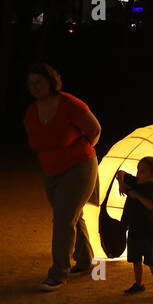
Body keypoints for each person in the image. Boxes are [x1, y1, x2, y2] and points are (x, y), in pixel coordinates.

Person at [23, 62, 101, 291]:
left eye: (38, 82)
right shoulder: (31, 112)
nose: (34, 87)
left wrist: (82, 152)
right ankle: (85, 261)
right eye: (30, 84)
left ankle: (58, 273)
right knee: (72, 216)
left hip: (79, 167)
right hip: (51, 171)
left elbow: (95, 130)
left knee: (63, 219)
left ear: (50, 81)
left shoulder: (69, 104)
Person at [118, 156, 153, 300]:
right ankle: (138, 284)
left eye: (143, 171)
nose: (138, 173)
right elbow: (120, 173)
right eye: (138, 169)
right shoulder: (135, 181)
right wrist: (121, 184)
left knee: (150, 261)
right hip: (133, 228)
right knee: (135, 260)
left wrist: (136, 195)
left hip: (146, 230)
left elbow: (152, 205)